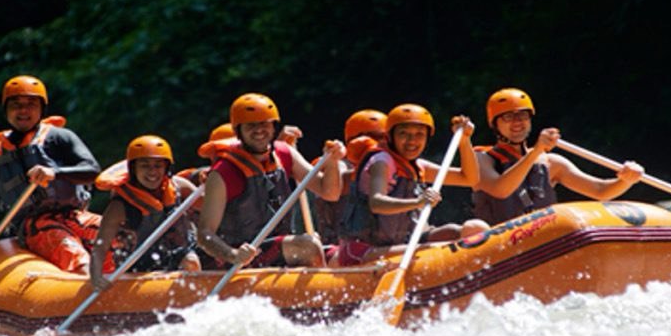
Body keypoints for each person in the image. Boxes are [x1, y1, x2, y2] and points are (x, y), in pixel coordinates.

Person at [0, 75, 103, 274]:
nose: (23, 111)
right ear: (6, 110)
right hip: (33, 225)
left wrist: (54, 172)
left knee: (119, 236)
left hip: (74, 216)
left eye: (31, 104)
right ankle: (88, 283)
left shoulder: (60, 138)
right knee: (70, 250)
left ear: (42, 109)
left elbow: (92, 171)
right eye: (16, 105)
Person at [197, 92, 345, 269]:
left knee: (338, 256)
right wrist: (233, 254)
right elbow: (204, 234)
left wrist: (332, 162)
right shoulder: (222, 173)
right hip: (243, 255)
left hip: (278, 249)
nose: (259, 130)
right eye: (251, 125)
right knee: (308, 246)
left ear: (274, 127)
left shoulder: (284, 153)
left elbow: (330, 193)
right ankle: (321, 293)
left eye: (264, 123)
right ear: (238, 131)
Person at [336, 103, 489, 266]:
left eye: (419, 134)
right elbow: (377, 203)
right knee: (445, 248)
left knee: (473, 229)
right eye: (404, 133)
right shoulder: (381, 161)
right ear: (390, 136)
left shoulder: (418, 166)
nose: (412, 141)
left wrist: (464, 141)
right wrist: (417, 202)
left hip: (402, 242)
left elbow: (469, 178)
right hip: (364, 249)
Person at [472, 88, 644, 225]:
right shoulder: (482, 159)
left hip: (540, 239)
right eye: (508, 117)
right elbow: (501, 190)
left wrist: (626, 180)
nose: (517, 122)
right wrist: (536, 151)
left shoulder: (550, 163)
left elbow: (600, 191)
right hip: (497, 243)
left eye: (523, 115)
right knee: (473, 228)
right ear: (495, 124)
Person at [89, 136, 201, 290]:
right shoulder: (119, 206)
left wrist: (210, 183)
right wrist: (95, 275)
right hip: (137, 263)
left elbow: (210, 208)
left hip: (177, 253)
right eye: (145, 166)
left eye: (158, 166)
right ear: (133, 169)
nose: (152, 172)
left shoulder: (181, 188)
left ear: (166, 168)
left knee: (191, 261)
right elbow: (101, 245)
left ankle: (194, 298)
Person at [312, 109, 388, 245]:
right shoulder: (334, 164)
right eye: (373, 137)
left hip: (381, 242)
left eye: (382, 138)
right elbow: (337, 185)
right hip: (339, 247)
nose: (378, 144)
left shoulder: (390, 165)